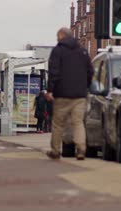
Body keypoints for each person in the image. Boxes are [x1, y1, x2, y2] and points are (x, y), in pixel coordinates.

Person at [46, 27, 93, 161]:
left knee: (58, 123)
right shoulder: (83, 51)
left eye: (57, 36)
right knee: (78, 122)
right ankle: (81, 149)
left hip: (62, 94)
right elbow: (90, 71)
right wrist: (86, 86)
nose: (56, 39)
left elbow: (53, 72)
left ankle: (55, 150)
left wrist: (50, 90)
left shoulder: (58, 51)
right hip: (79, 95)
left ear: (61, 36)